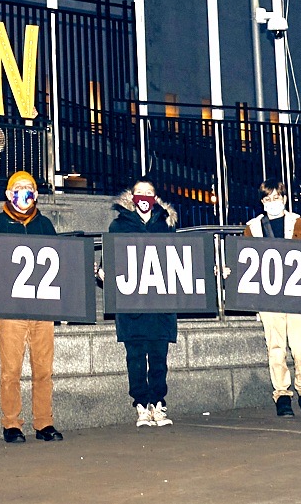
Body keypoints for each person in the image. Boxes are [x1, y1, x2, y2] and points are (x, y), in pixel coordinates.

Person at [0, 172, 62, 443]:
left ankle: (44, 423)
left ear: (36, 194)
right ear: (9, 194)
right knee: (11, 370)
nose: (24, 193)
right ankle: (12, 424)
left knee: (43, 369)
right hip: (11, 310)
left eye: (29, 188)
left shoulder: (45, 225)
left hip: (42, 309)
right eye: (18, 188)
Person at [245, 181, 301, 417]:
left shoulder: (299, 224)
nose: (272, 203)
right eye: (267, 199)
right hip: (269, 298)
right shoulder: (253, 228)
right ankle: (282, 395)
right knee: (275, 348)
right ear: (262, 202)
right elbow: (245, 262)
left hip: (298, 297)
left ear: (284, 199)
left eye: (276, 197)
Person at [108, 177, 179, 428]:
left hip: (160, 304)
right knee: (136, 355)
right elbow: (113, 257)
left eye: (149, 192)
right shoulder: (119, 226)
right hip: (132, 305)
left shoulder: (166, 225)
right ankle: (141, 404)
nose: (144, 197)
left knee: (159, 355)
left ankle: (158, 403)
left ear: (155, 197)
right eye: (139, 192)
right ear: (132, 196)